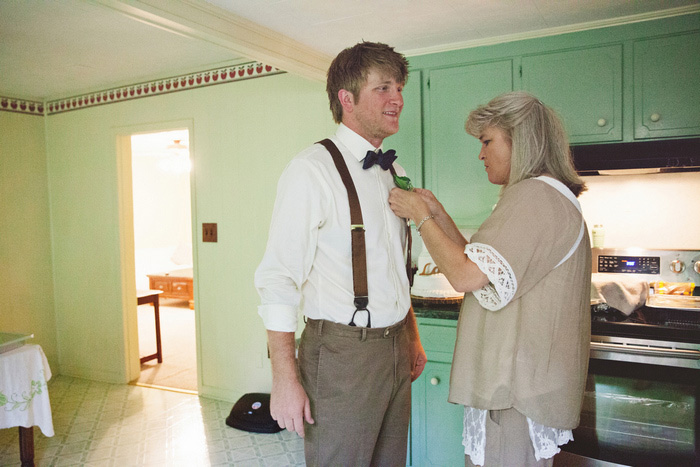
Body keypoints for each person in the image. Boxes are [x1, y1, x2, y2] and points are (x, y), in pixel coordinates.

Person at [388, 91, 591, 466]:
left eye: (487, 141)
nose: (480, 154)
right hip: (524, 387)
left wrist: (421, 217)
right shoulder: (546, 197)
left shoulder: (533, 197)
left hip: (513, 389)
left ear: (521, 140)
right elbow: (485, 268)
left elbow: (465, 276)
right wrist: (438, 212)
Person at [255, 41, 427, 466]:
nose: (398, 99)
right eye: (383, 88)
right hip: (341, 355)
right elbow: (278, 278)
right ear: (346, 99)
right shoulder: (311, 170)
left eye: (399, 88)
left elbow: (393, 269)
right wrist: (284, 379)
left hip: (396, 347)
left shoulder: (395, 172)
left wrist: (412, 337)